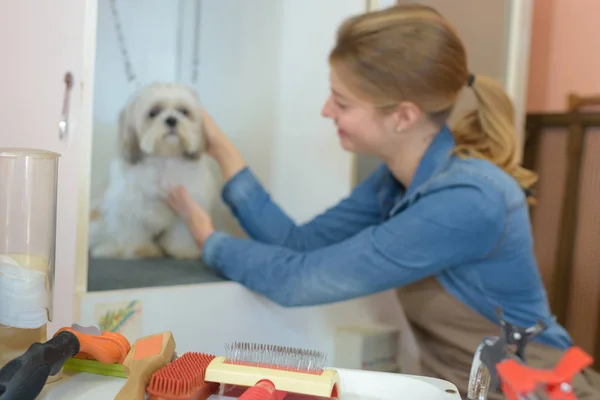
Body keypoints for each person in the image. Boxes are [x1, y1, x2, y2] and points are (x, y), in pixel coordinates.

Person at [167, 4, 600, 398]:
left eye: (341, 101)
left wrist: (210, 242)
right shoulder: (395, 181)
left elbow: (298, 281)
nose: (325, 110)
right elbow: (299, 246)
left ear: (404, 116)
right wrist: (223, 151)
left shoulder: (469, 200)